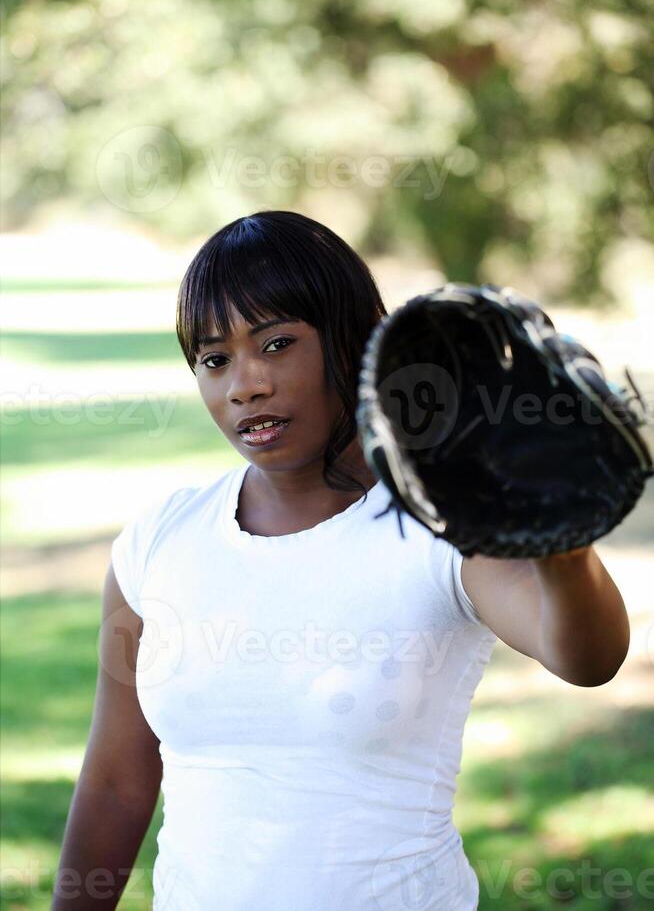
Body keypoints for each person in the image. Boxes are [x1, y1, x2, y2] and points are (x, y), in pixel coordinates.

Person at [52, 210, 630, 911]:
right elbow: (117, 782)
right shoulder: (159, 540)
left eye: (277, 343)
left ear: (357, 343)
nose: (245, 384)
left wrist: (561, 544)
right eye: (214, 359)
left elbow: (589, 657)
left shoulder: (440, 526)